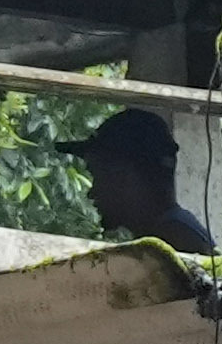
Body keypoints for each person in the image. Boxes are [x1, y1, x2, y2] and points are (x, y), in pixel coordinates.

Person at [77, 106, 209, 248]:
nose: (92, 193)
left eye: (100, 176)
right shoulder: (169, 233)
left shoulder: (172, 238)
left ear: (127, 176)